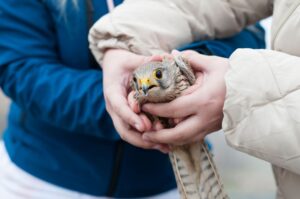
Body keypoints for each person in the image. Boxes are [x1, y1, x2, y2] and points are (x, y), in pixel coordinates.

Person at [0, 0, 265, 198]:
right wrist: (129, 105)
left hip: (170, 181)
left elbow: (247, 29)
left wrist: (185, 74)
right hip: (42, 179)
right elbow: (21, 68)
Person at [89, 0, 300, 198]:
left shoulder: (179, 70)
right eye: (140, 83)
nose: (146, 86)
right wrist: (121, 41)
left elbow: (251, 34)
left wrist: (237, 89)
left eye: (157, 76)